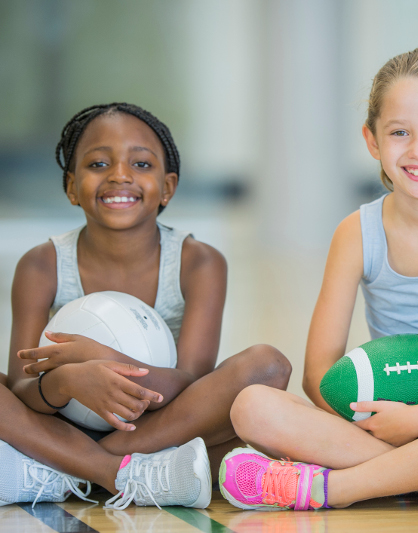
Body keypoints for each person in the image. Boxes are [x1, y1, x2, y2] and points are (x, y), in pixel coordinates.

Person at [219, 47, 418, 511]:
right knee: (251, 406)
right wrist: (375, 421)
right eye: (400, 132)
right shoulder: (357, 233)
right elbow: (318, 373)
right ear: (372, 141)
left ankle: (334, 487)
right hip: (384, 422)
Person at [1, 103, 291, 509]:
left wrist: (104, 359)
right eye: (99, 163)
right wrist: (70, 380)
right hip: (60, 424)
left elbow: (191, 383)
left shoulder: (199, 261)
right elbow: (21, 390)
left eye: (140, 163)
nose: (120, 175)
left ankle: (62, 471)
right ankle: (116, 474)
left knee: (267, 365)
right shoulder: (41, 264)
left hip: (156, 426)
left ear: (168, 186)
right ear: (71, 186)